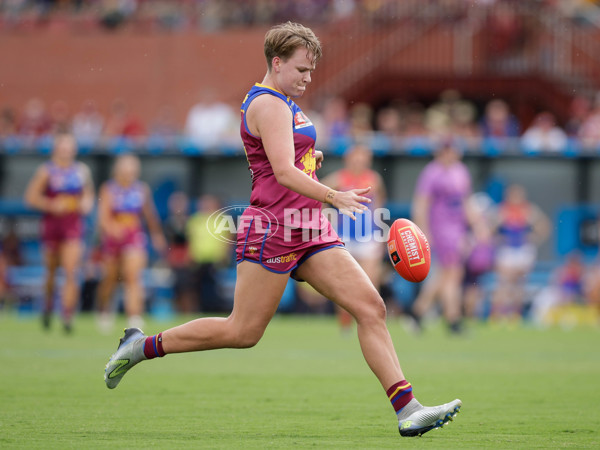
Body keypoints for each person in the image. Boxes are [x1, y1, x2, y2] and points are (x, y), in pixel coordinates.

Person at [104, 22, 461, 438]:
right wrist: (334, 196)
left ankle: (408, 409)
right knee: (242, 332)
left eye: (311, 71)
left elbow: (290, 159)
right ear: (277, 63)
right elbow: (283, 172)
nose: (308, 79)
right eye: (301, 70)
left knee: (371, 307)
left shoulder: (285, 101)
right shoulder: (269, 104)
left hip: (308, 227)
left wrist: (312, 157)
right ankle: (141, 346)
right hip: (273, 228)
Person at [410, 136, 485, 333]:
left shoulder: (461, 171)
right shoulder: (432, 172)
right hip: (441, 228)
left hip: (457, 228)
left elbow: (466, 202)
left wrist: (478, 225)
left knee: (446, 273)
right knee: (453, 272)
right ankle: (453, 320)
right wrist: (423, 230)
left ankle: (417, 312)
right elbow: (421, 203)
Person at [24, 133, 95, 332]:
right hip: (52, 226)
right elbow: (30, 197)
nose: (66, 151)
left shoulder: (81, 171)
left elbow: (88, 194)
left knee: (71, 271)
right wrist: (51, 204)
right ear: (56, 148)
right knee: (51, 273)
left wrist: (86, 203)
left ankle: (67, 315)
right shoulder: (47, 171)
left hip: (72, 226)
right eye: (62, 147)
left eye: (69, 147)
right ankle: (47, 308)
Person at [96, 154, 166, 331]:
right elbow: (103, 218)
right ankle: (104, 311)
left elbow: (149, 216)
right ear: (118, 169)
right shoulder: (109, 189)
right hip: (113, 239)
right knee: (110, 278)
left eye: (133, 168)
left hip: (134, 236)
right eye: (126, 168)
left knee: (132, 276)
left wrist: (157, 235)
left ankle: (134, 316)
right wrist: (112, 229)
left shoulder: (141, 189)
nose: (129, 172)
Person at [321, 143, 386, 332]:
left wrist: (380, 234)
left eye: (363, 158)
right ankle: (345, 322)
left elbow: (379, 207)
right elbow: (317, 194)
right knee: (342, 283)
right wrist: (327, 220)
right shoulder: (339, 178)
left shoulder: (374, 179)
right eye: (355, 158)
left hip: (368, 237)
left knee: (371, 283)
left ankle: (369, 320)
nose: (359, 162)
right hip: (344, 237)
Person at [490, 184, 550, 321]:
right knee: (504, 282)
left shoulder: (528, 210)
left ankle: (515, 315)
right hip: (507, 250)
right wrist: (497, 238)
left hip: (523, 250)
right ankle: (497, 314)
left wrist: (534, 238)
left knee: (519, 284)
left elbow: (544, 226)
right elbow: (490, 229)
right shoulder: (502, 210)